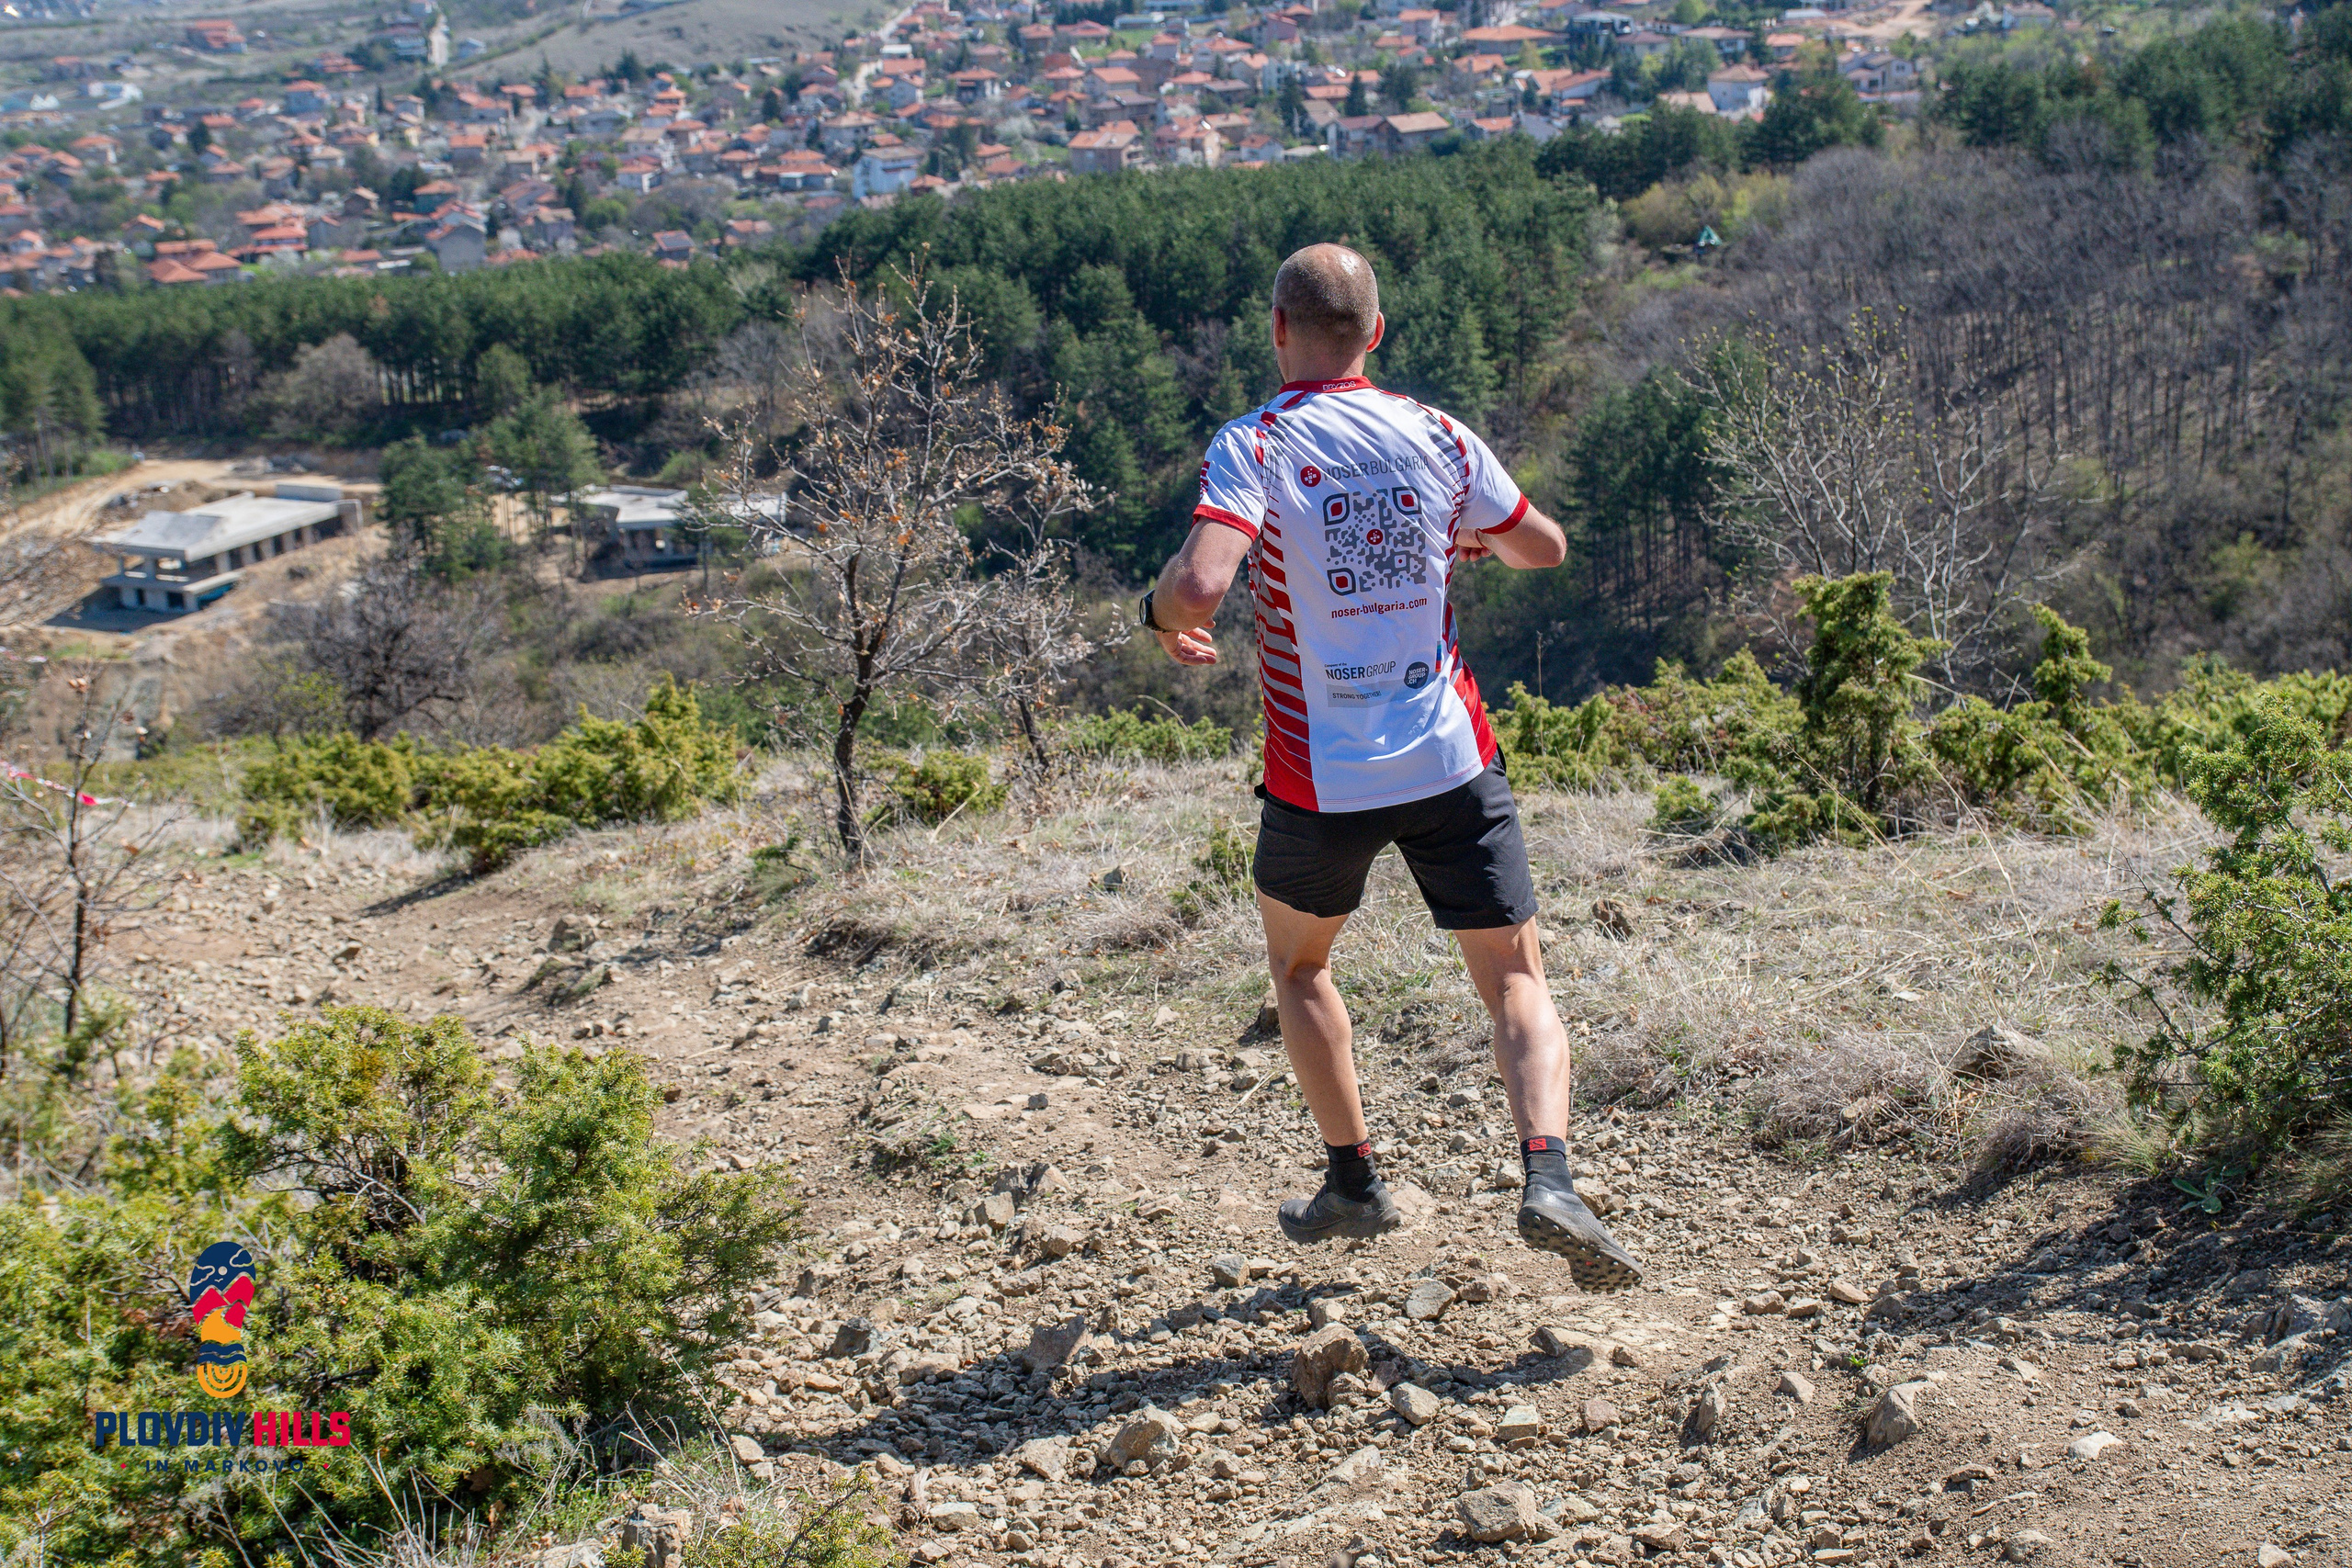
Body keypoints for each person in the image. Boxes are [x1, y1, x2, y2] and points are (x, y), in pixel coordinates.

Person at [1138, 243, 1642, 1293]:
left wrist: (1161, 618)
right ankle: (1548, 1177)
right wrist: (1463, 538)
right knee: (1513, 975)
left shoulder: (1258, 441)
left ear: (1278, 331)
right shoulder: (1436, 434)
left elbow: (1197, 586)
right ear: (1376, 333)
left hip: (1319, 775)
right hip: (1449, 755)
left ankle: (1353, 1180)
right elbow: (1541, 546)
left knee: (1301, 968)